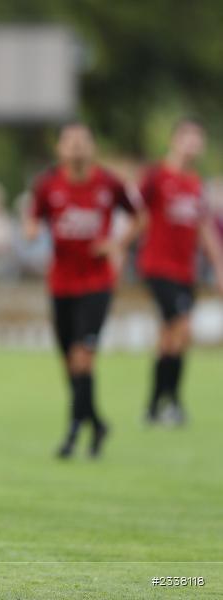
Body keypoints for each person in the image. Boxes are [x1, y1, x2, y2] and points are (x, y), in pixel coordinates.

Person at [24, 122, 141, 459]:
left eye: (82, 141)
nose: (76, 147)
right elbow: (32, 217)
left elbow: (139, 217)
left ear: (92, 147)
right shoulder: (48, 186)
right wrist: (31, 231)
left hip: (97, 284)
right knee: (71, 365)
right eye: (69, 142)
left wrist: (116, 244)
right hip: (60, 285)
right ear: (60, 149)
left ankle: (73, 433)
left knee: (82, 358)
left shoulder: (109, 183)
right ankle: (98, 423)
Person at [138, 118, 223, 425]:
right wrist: (118, 248)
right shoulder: (156, 177)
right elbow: (136, 215)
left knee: (169, 338)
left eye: (199, 139)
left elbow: (205, 229)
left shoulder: (197, 183)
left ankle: (152, 407)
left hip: (186, 271)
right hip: (157, 266)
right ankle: (172, 403)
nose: (194, 144)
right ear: (174, 140)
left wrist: (219, 265)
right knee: (183, 329)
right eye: (189, 137)